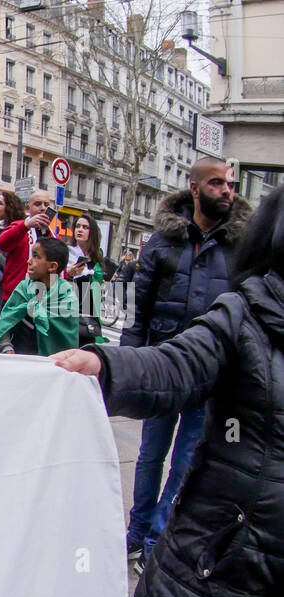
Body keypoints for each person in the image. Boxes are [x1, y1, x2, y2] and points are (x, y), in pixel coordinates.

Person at [51, 183, 284, 597]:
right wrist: (106, 365)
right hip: (214, 557)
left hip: (275, 580)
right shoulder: (243, 313)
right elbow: (176, 365)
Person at [122, 156, 251, 563]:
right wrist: (131, 364)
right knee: (149, 456)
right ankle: (137, 529)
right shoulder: (163, 241)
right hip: (161, 366)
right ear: (194, 189)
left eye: (229, 184)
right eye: (216, 184)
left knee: (185, 462)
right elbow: (137, 309)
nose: (226, 191)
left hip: (209, 374)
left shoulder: (239, 248)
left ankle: (157, 539)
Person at [0, 236, 78, 355]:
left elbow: (68, 342)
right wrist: (6, 347)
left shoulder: (66, 297)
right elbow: (4, 322)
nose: (29, 261)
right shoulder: (24, 289)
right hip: (18, 359)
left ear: (52, 266)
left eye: (36, 256)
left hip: (50, 365)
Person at [0, 189, 52, 304]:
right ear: (28, 208)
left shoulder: (53, 235)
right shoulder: (19, 226)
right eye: (37, 204)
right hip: (16, 298)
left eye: (46, 205)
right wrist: (26, 225)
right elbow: (2, 243)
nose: (43, 208)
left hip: (42, 299)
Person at [65, 212, 106, 348]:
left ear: (92, 232)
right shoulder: (66, 252)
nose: (80, 229)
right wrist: (68, 273)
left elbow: (98, 281)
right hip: (68, 311)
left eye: (85, 227)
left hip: (90, 313)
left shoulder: (97, 256)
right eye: (77, 226)